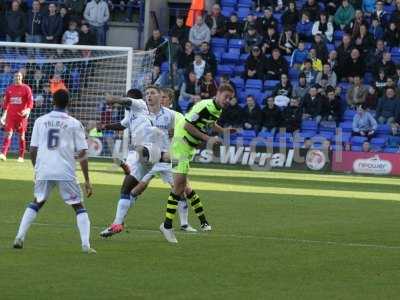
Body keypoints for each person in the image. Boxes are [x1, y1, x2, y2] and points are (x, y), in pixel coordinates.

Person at [99, 87, 198, 237]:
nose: (149, 96)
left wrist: (114, 100)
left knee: (180, 188)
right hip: (149, 156)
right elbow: (123, 124)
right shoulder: (134, 113)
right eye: (148, 94)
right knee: (130, 190)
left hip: (154, 152)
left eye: (153, 93)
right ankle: (117, 223)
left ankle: (184, 223)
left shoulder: (140, 104)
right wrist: (106, 126)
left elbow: (184, 126)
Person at [13, 89, 95, 253]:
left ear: (52, 101)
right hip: (65, 171)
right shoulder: (74, 123)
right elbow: (83, 153)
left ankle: (20, 237)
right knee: (78, 206)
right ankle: (85, 245)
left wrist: (36, 170)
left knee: (37, 202)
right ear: (69, 102)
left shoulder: (40, 121)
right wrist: (87, 180)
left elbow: (33, 149)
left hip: (44, 170)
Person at [159, 84, 235, 243]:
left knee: (181, 187)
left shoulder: (217, 109)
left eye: (230, 98)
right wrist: (208, 139)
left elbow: (210, 124)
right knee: (179, 186)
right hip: (180, 143)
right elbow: (187, 125)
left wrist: (223, 131)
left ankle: (170, 225)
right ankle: (167, 225)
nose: (227, 100)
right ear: (218, 94)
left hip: (188, 147)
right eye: (225, 97)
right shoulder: (203, 106)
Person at [0, 72, 33, 162]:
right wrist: (3, 117)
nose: (17, 77)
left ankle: (21, 156)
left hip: (21, 116)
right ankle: (3, 153)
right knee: (8, 134)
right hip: (11, 116)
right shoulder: (9, 89)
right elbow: (6, 104)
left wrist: (28, 110)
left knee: (22, 136)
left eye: (19, 76)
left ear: (22, 77)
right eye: (16, 76)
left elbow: (30, 102)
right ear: (13, 78)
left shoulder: (26, 88)